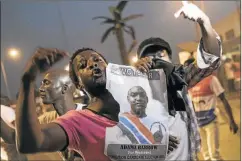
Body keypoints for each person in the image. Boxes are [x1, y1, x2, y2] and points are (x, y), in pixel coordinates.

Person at [133, 2, 222, 160]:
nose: (156, 59)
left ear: (171, 60)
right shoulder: (134, 91)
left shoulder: (180, 78)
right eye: (149, 56)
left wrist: (204, 22)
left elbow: (210, 60)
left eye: (161, 54)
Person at [15, 48, 120, 161]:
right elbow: (29, 143)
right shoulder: (77, 122)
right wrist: (28, 79)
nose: (92, 64)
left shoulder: (136, 101)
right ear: (78, 84)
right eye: (82, 65)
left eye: (97, 59)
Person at [1, 69, 85, 161]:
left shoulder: (88, 115)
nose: (41, 88)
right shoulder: (49, 118)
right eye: (42, 83)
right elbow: (14, 137)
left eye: (46, 83)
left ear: (64, 88)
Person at [186, 60, 238, 160]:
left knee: (214, 155)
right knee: (206, 157)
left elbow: (223, 99)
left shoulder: (211, 79)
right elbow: (191, 105)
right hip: (198, 125)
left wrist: (232, 121)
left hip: (211, 122)